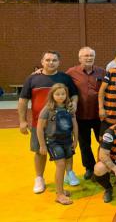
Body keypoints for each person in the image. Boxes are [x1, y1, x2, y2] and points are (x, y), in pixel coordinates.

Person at [18, 51, 79, 194]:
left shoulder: (65, 78)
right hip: (39, 124)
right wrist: (22, 121)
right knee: (40, 151)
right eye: (48, 60)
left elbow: (74, 94)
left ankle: (69, 173)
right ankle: (39, 177)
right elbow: (23, 101)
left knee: (68, 149)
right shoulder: (32, 79)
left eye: (54, 60)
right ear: (42, 61)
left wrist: (74, 104)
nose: (51, 62)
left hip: (62, 125)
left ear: (59, 62)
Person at [66, 47, 106, 180]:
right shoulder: (71, 72)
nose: (89, 58)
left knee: (103, 141)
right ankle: (89, 167)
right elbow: (59, 82)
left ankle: (103, 165)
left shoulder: (102, 72)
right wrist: (39, 73)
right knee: (84, 144)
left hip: (99, 115)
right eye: (86, 56)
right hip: (80, 115)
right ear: (79, 58)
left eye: (91, 56)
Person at [36, 83, 79, 205]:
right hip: (54, 142)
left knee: (65, 164)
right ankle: (59, 194)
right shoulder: (47, 109)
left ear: (66, 95)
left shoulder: (69, 108)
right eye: (57, 94)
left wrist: (75, 140)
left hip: (67, 141)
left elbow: (75, 125)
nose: (60, 96)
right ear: (52, 95)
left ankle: (61, 190)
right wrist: (43, 145)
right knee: (60, 165)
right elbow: (40, 128)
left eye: (63, 94)